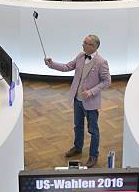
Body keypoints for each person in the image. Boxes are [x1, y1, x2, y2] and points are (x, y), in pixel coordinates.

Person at [45, 35, 111, 168]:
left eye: (86, 43)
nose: (83, 45)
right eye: (83, 42)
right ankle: (77, 147)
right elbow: (67, 67)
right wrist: (52, 64)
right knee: (78, 126)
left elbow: (107, 81)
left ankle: (93, 155)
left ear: (94, 47)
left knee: (93, 130)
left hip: (90, 102)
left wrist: (91, 92)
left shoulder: (101, 62)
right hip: (77, 100)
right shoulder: (81, 56)